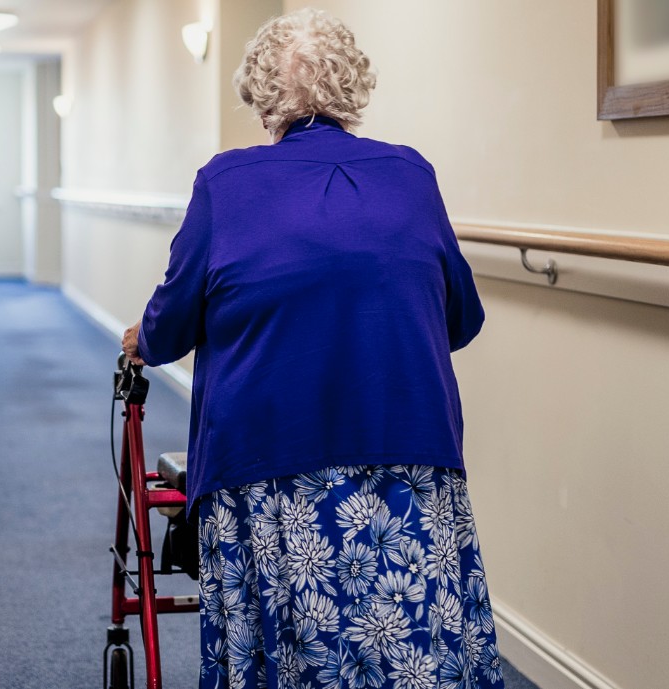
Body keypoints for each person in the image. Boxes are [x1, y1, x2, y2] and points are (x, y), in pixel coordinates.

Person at [120, 8, 503, 689]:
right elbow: (461, 317)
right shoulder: (411, 175)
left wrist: (144, 340)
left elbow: (173, 320)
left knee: (284, 657)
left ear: (262, 94)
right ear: (352, 86)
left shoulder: (226, 183)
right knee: (410, 648)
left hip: (266, 464)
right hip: (408, 457)